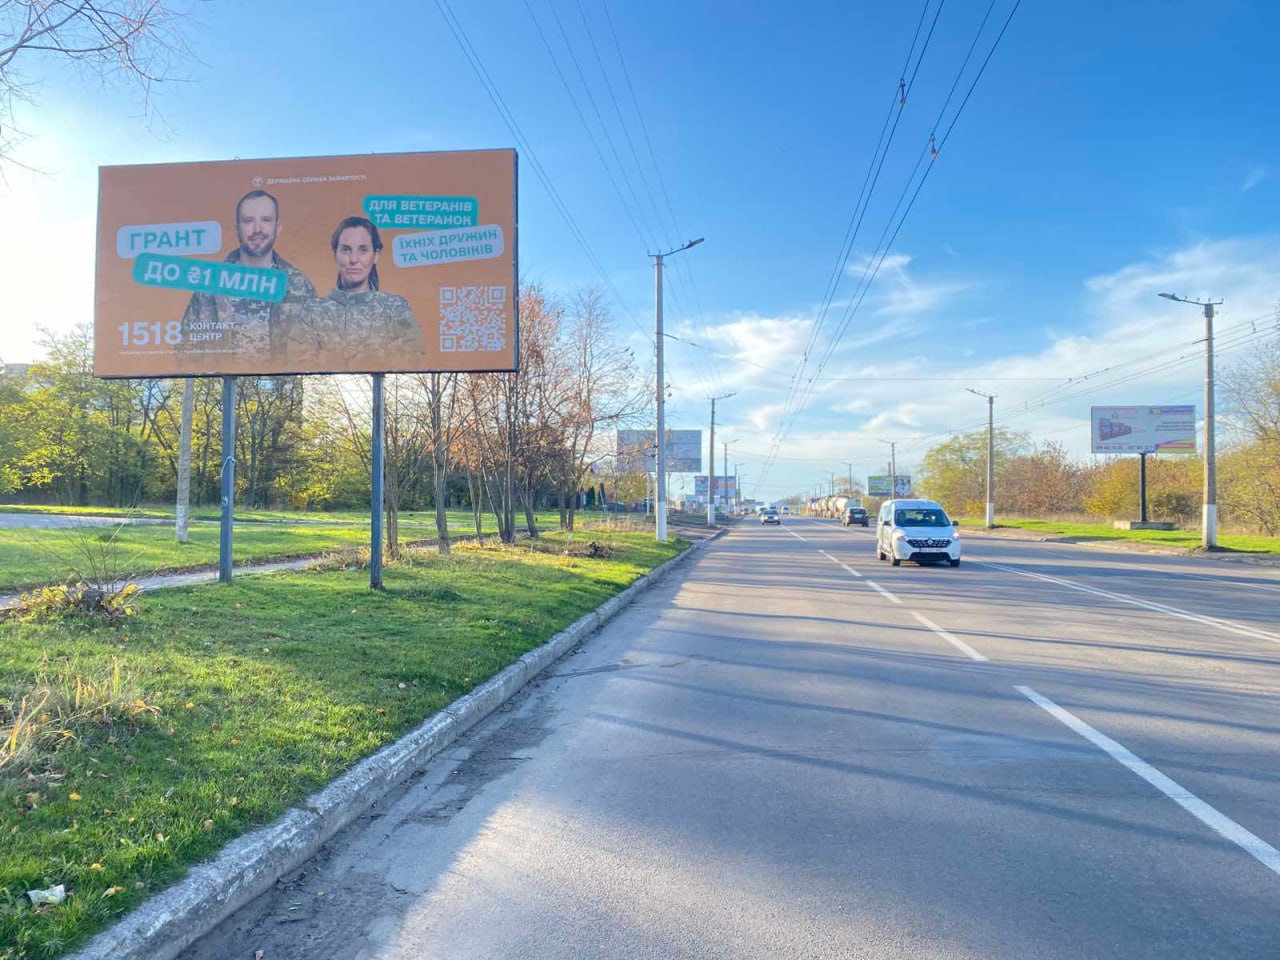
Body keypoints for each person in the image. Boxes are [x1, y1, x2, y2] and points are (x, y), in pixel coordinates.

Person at [180, 190, 316, 362]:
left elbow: (316, 350)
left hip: (281, 379)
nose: (257, 229)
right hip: (223, 379)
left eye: (266, 220)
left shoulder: (298, 285)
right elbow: (185, 351)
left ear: (278, 228)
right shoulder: (210, 286)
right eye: (248, 221)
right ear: (237, 229)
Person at [288, 216, 423, 369]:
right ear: (335, 254)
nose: (353, 259)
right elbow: (297, 363)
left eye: (363, 250)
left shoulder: (394, 308)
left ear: (375, 255)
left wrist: (335, 358)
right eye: (346, 250)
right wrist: (381, 352)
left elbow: (415, 354)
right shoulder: (313, 312)